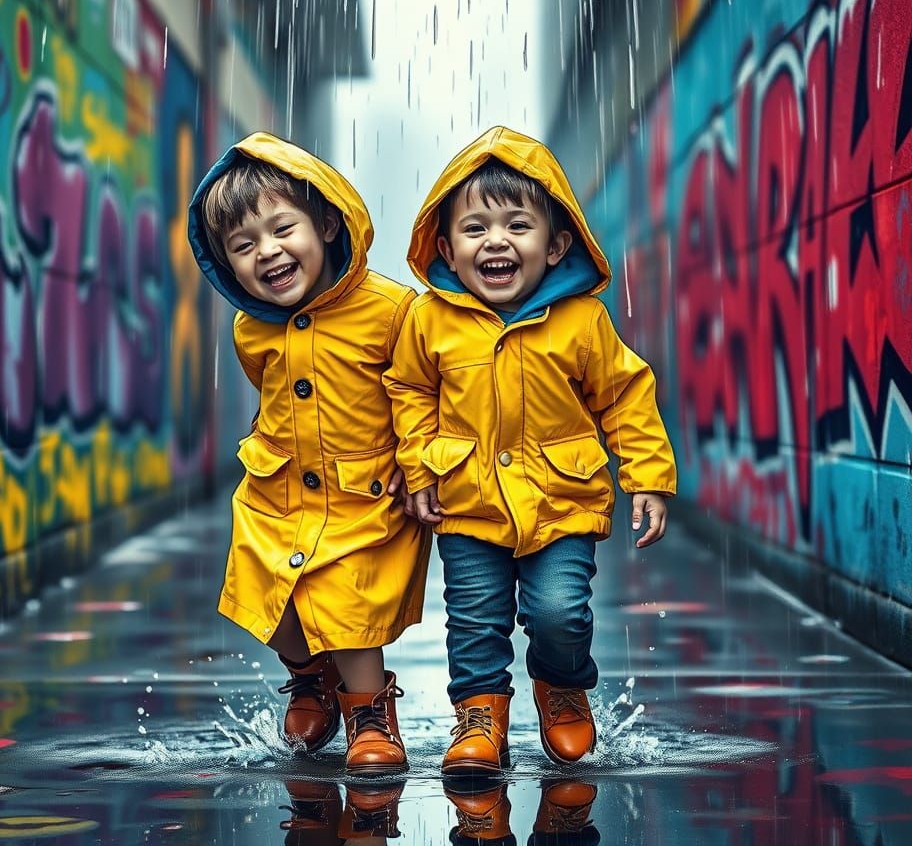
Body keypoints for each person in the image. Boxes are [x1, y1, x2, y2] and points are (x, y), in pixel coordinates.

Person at [383, 126, 676, 775]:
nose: (496, 241)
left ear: (555, 245)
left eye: (518, 225)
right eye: (475, 229)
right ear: (447, 248)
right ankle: (479, 718)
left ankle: (562, 684)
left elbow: (625, 394)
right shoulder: (430, 321)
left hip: (561, 502)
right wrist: (419, 464)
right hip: (467, 501)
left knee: (559, 612)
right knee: (475, 622)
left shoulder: (581, 321)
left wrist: (647, 476)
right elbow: (408, 390)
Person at [188, 132, 430, 775]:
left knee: (349, 611)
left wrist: (419, 464)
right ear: (225, 263)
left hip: (364, 493)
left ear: (326, 223)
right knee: (267, 603)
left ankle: (371, 717)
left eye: (281, 229)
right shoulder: (251, 326)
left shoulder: (392, 309)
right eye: (243, 246)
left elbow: (418, 391)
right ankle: (308, 677)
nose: (267, 253)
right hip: (279, 492)